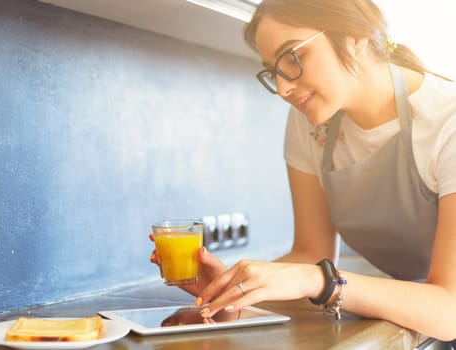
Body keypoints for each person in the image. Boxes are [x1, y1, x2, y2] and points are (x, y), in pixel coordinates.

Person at [150, 0, 456, 342]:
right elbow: (311, 253)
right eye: (273, 71)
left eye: (292, 59)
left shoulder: (448, 122)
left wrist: (322, 280)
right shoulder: (311, 123)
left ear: (355, 35)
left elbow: (449, 310)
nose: (282, 89)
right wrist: (233, 288)